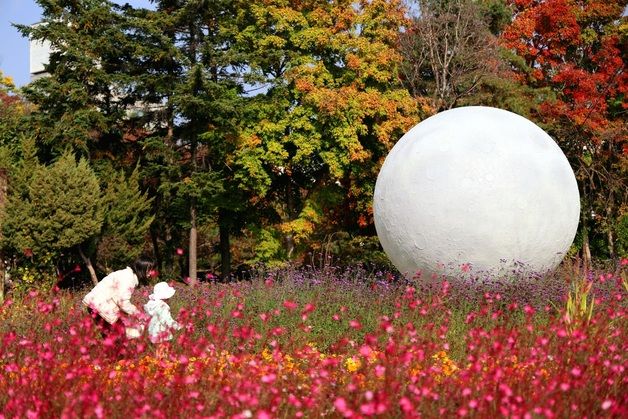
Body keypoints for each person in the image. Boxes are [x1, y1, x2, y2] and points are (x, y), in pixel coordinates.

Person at [82, 257, 155, 349]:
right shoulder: (128, 279)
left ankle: (112, 360)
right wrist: (138, 314)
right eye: (149, 270)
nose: (151, 273)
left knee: (112, 339)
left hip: (97, 305)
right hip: (101, 306)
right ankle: (117, 361)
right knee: (119, 340)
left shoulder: (126, 275)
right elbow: (122, 302)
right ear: (142, 269)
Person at [144, 281, 181, 353]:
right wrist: (177, 326)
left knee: (158, 351)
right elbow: (167, 320)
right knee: (163, 353)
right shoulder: (163, 306)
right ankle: (161, 363)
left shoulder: (151, 305)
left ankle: (156, 362)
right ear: (165, 297)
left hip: (153, 333)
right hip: (162, 333)